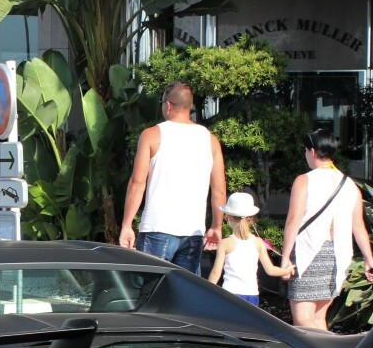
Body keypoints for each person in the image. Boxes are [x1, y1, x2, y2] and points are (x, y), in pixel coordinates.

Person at [119, 81, 227, 275]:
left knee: (150, 293)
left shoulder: (151, 135)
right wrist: (217, 226)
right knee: (186, 296)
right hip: (193, 232)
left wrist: (127, 224)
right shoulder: (210, 140)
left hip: (157, 227)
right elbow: (219, 190)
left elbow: (137, 183)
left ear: (167, 105)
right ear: (190, 106)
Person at [281, 129, 373, 330]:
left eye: (306, 150)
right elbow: (358, 226)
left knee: (303, 321)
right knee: (318, 319)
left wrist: (284, 258)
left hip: (308, 252)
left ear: (312, 151)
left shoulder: (304, 180)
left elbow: (293, 221)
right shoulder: (349, 184)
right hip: (337, 256)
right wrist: (370, 260)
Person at [207, 192, 295, 306]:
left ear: (228, 217)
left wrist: (207, 291)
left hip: (229, 294)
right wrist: (287, 271)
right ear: (251, 219)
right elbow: (271, 270)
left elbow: (215, 273)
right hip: (251, 295)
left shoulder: (225, 243)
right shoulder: (258, 243)